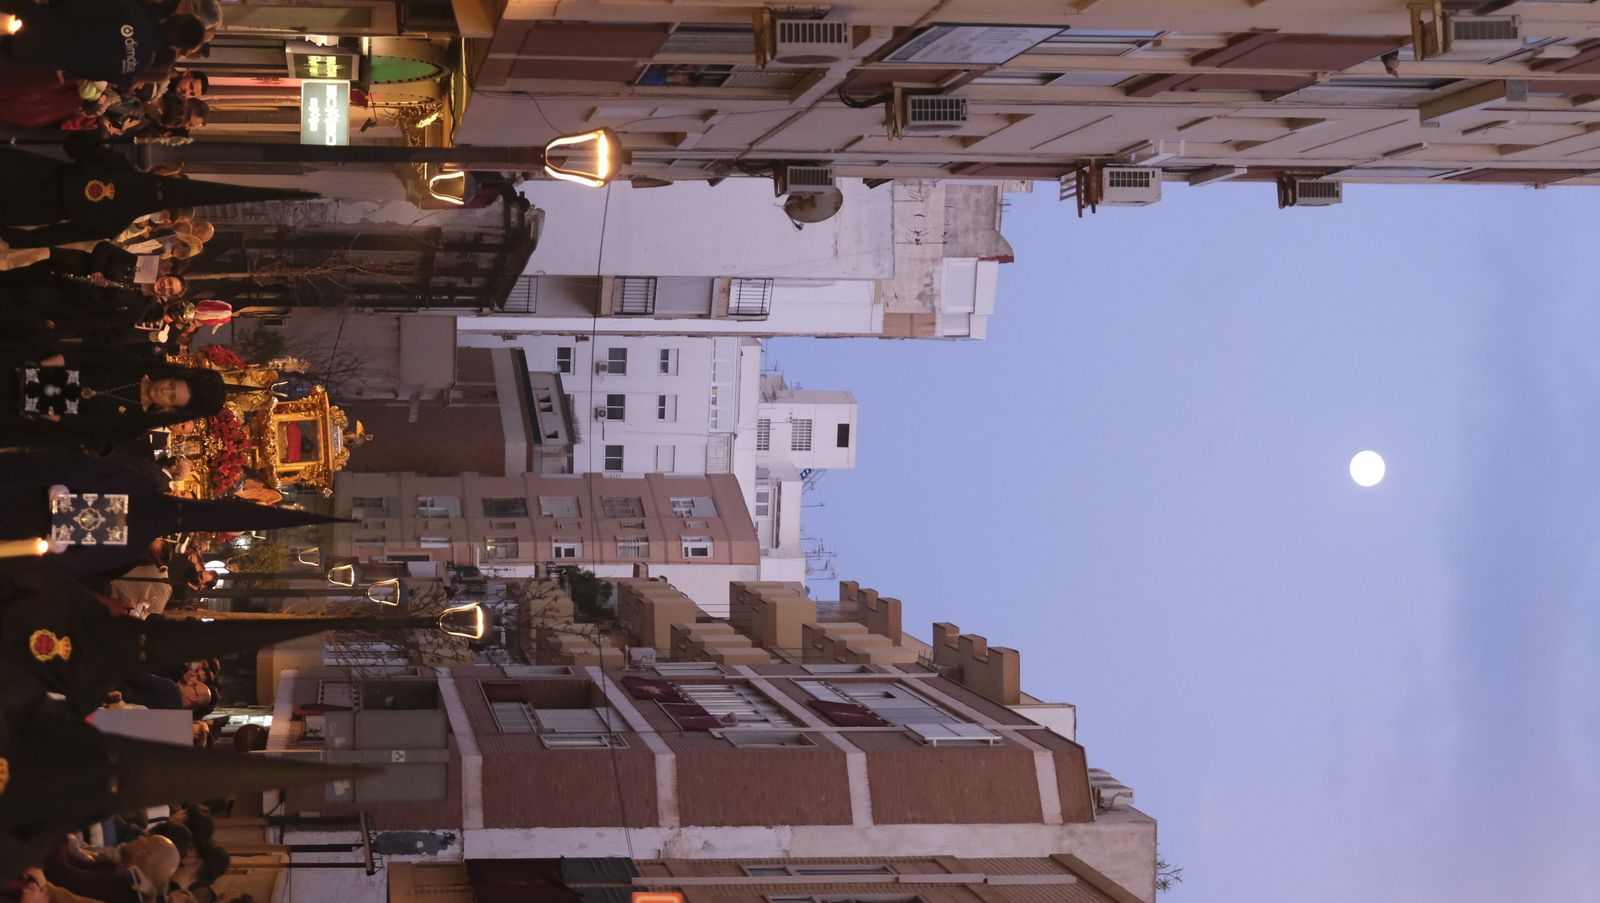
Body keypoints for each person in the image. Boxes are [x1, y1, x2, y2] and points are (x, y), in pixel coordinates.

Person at [0, 140, 316, 248]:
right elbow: (58, 234)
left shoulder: (121, 165)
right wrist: (16, 238)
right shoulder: (116, 221)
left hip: (33, 172)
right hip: (29, 209)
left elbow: (77, 145)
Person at [0, 351, 224, 449]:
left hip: (32, 412)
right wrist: (38, 370)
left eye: (172, 397)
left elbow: (83, 426)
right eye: (171, 385)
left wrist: (39, 411)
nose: (164, 391)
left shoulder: (136, 422)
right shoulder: (132, 363)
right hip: (32, 374)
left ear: (171, 407)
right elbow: (84, 355)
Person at [0, 2, 204, 84]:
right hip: (35, 54)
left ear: (176, 18)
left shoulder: (134, 15)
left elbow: (76, 6)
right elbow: (86, 74)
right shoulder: (139, 65)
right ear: (177, 46)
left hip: (33, 20)